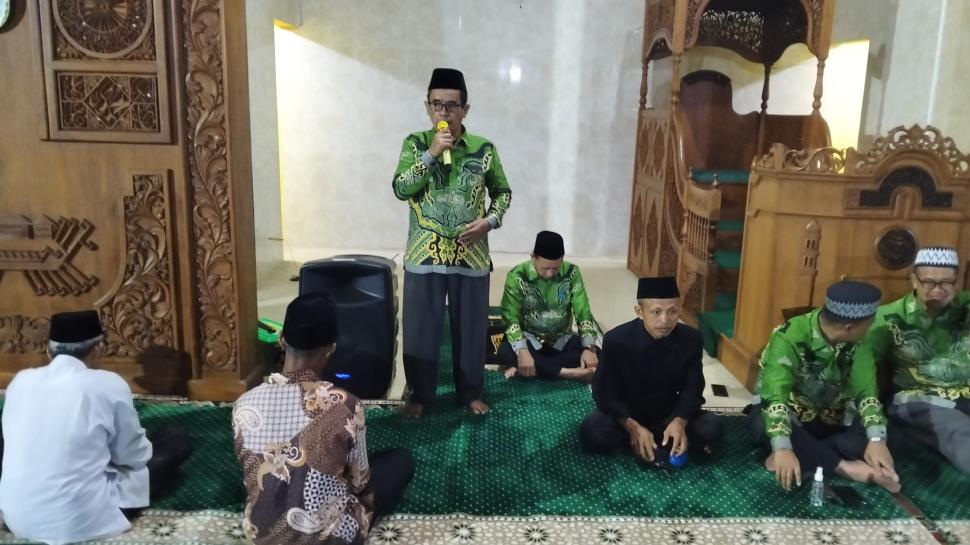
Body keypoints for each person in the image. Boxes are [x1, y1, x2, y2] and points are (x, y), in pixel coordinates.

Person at [233, 294, 415, 545]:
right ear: (331, 348)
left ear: (282, 339)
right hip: (329, 539)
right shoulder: (345, 406)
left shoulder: (244, 404)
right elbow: (359, 483)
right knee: (400, 461)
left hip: (261, 536)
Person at [0, 310, 192, 545]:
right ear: (99, 349)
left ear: (49, 351)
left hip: (18, 520)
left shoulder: (21, 380)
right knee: (175, 439)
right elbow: (133, 456)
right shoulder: (107, 383)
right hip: (83, 521)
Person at [392, 67, 512, 417]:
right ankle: (419, 395)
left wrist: (489, 221)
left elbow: (502, 192)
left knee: (471, 332)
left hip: (470, 256)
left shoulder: (483, 149)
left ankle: (470, 393)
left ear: (465, 110)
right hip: (424, 255)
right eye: (437, 105)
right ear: (427, 107)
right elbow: (401, 189)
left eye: (451, 106)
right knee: (420, 332)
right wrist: (431, 154)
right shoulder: (415, 143)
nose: (443, 112)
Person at [749, 281, 900, 492]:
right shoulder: (789, 336)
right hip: (792, 417)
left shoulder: (861, 341)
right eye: (870, 323)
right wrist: (783, 447)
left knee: (879, 438)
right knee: (762, 424)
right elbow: (775, 396)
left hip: (832, 418)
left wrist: (877, 439)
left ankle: (808, 456)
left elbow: (866, 392)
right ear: (849, 328)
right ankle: (844, 467)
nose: (872, 327)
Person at [579, 277, 724, 462]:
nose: (665, 320)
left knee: (711, 426)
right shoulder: (616, 340)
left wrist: (680, 420)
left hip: (668, 412)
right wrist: (631, 426)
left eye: (672, 311)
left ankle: (660, 439)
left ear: (680, 309)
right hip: (629, 413)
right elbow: (603, 393)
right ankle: (650, 440)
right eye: (656, 312)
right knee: (592, 430)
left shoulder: (691, 339)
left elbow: (693, 388)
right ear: (640, 312)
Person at [861, 246, 970, 472]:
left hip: (965, 395)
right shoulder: (888, 319)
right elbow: (862, 372)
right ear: (914, 281)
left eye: (946, 283)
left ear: (957, 281)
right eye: (929, 282)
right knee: (958, 428)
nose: (937, 290)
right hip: (917, 400)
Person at [498, 231, 602, 382]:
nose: (550, 274)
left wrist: (589, 349)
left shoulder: (572, 273)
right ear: (533, 257)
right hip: (530, 340)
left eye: (556, 268)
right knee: (505, 350)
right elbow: (510, 317)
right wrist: (522, 350)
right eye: (545, 268)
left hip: (562, 341)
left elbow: (583, 312)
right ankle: (567, 372)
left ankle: (533, 368)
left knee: (598, 353)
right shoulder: (518, 276)